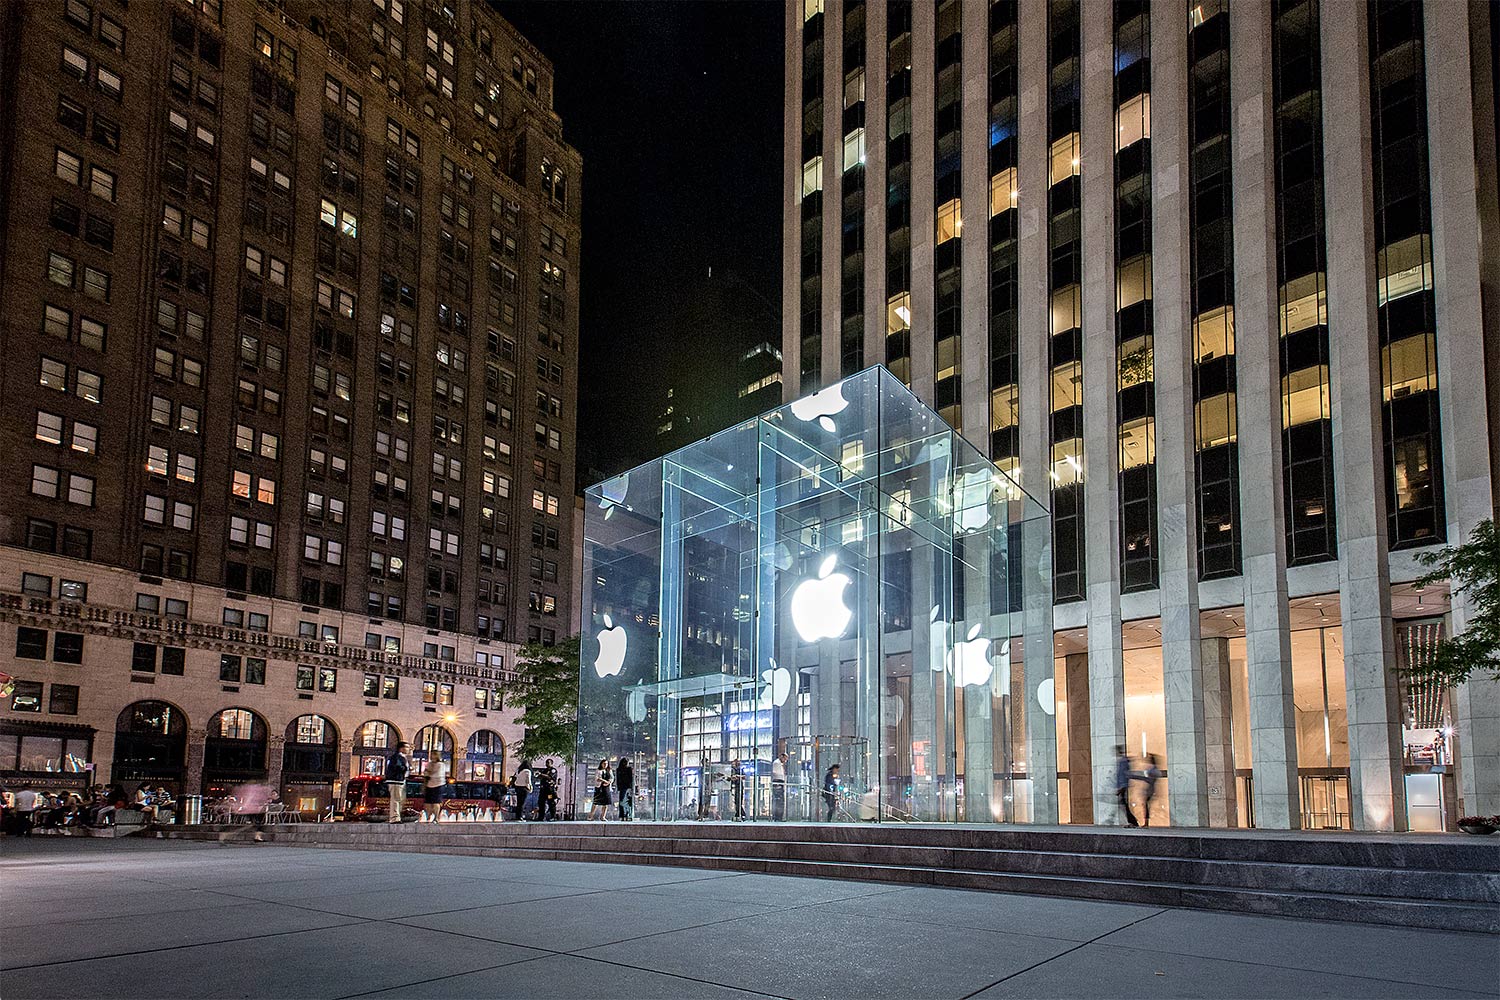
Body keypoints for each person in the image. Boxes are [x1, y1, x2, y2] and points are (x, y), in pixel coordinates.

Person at [384, 741, 412, 823]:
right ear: (401, 748)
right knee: (396, 799)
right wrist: (407, 769)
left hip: (400, 780)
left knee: (399, 799)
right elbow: (397, 767)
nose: (408, 749)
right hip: (396, 780)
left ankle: (396, 816)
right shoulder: (397, 757)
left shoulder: (401, 757)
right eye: (407, 747)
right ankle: (394, 818)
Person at [1137, 753, 1163, 827]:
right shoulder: (1153, 769)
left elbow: (1150, 780)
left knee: (1146, 805)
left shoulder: (1153, 770)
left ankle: (1146, 822)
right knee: (1145, 804)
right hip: (1150, 788)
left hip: (1150, 789)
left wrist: (1139, 777)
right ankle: (1146, 822)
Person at [1114, 746, 1138, 827]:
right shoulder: (1123, 761)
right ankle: (1132, 821)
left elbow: (1123, 775)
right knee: (1123, 804)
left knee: (1124, 804)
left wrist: (1121, 787)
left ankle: (1133, 822)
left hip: (1123, 786)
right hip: (1123, 786)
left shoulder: (1123, 761)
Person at [421, 754, 449, 822]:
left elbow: (436, 774)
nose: (432, 757)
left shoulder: (441, 765)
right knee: (427, 803)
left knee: (436, 802)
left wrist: (429, 772)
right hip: (429, 785)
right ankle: (428, 817)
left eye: (434, 755)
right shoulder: (429, 764)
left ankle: (436, 818)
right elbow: (425, 773)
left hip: (438, 785)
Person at [770, 752, 788, 821]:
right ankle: (778, 816)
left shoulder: (780, 763)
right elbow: (775, 772)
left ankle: (779, 816)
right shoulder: (776, 763)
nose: (785, 761)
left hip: (780, 782)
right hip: (778, 781)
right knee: (779, 801)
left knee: (780, 801)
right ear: (782, 757)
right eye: (785, 759)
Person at [615, 757, 634, 821]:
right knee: (623, 801)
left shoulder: (628, 769)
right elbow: (618, 779)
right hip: (624, 787)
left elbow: (631, 778)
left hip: (626, 787)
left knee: (625, 801)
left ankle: (626, 814)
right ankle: (624, 814)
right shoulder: (619, 769)